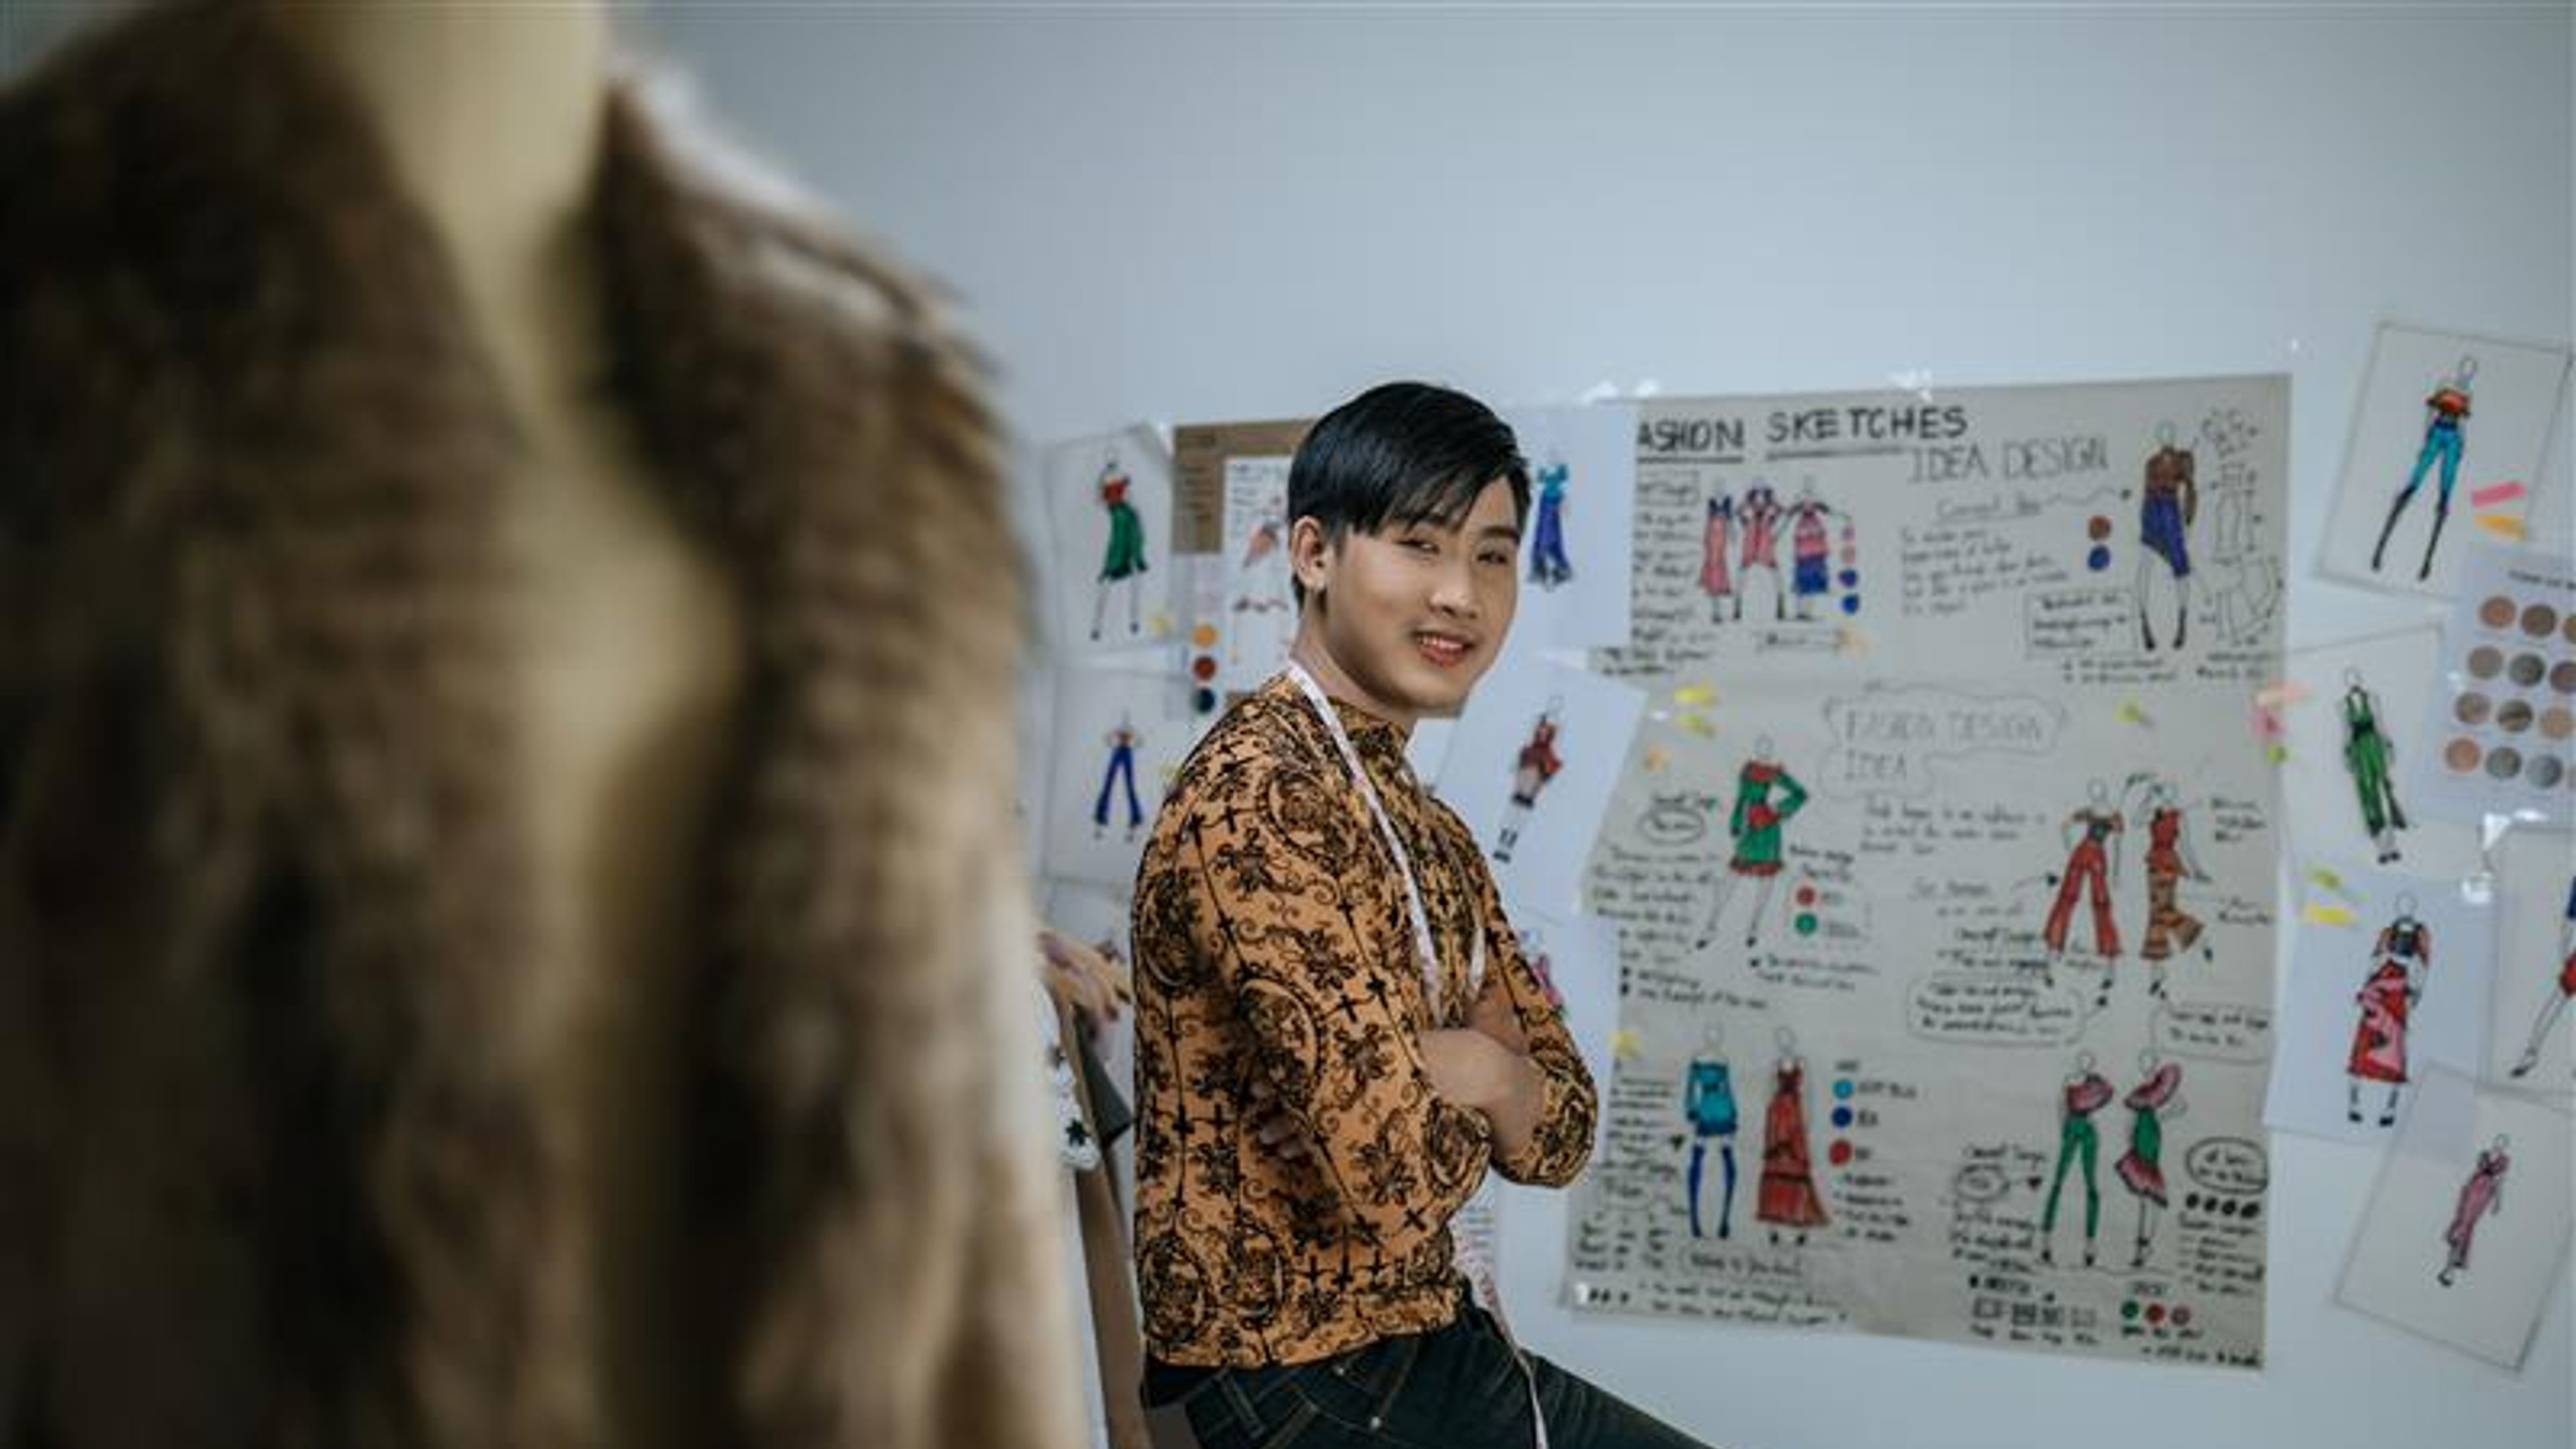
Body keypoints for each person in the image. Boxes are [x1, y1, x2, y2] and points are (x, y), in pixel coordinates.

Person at [1130, 382, 1710, 1449]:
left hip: (1418, 1342)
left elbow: (1562, 1134)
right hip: (1295, 1375)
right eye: (1417, 544)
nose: (1460, 594)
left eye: (1492, 555)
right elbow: (1388, 1176)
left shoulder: (1419, 820)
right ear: (1313, 552)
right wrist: (1456, 1082)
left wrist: (1480, 1071)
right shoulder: (1259, 795)